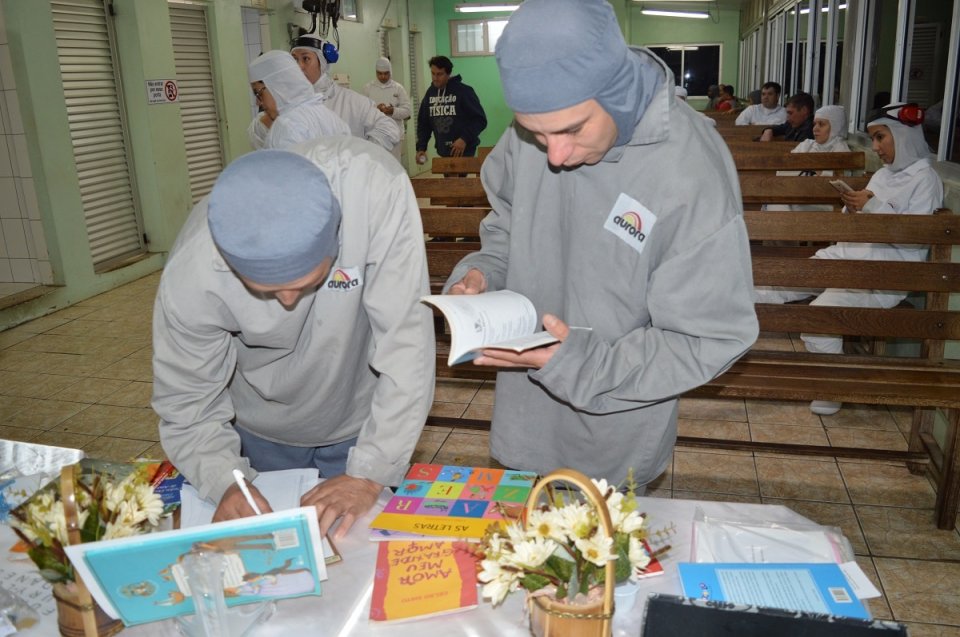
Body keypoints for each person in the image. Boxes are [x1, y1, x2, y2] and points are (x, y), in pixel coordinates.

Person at [442, 0, 758, 490]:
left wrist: (579, 364)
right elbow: (506, 224)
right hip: (523, 413)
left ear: (616, 92)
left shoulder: (689, 170)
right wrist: (482, 273)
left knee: (602, 560)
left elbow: (708, 338)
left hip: (615, 427)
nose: (556, 155)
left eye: (571, 130)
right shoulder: (546, 124)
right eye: (535, 133)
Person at [152, 140, 435, 538]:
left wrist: (370, 473)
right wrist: (225, 480)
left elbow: (408, 346)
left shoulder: (373, 190)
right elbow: (187, 401)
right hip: (259, 427)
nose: (287, 303)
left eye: (305, 283)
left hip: (362, 418)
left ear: (335, 241)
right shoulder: (192, 272)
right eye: (264, 290)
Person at [755, 103, 943, 415]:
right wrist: (854, 206)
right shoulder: (884, 175)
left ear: (904, 136)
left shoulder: (926, 180)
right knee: (778, 279)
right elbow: (858, 220)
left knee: (818, 319)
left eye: (882, 137)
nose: (876, 147)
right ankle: (722, 329)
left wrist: (871, 206)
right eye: (874, 139)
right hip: (848, 255)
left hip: (882, 276)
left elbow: (914, 242)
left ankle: (833, 388)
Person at [280, 35, 400, 152]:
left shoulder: (352, 102)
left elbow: (389, 129)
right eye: (295, 59)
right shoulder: (287, 103)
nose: (299, 66)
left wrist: (360, 157)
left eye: (305, 59)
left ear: (322, 63)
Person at [246, 50, 349, 150]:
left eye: (258, 93)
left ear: (276, 86)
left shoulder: (286, 127)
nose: (258, 102)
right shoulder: (331, 118)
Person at [415, 55, 487, 163]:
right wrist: (421, 148)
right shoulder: (430, 93)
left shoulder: (464, 91)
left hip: (464, 149)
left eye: (439, 74)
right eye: (433, 73)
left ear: (448, 74)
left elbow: (480, 120)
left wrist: (464, 139)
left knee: (458, 180)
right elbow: (424, 123)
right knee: (449, 180)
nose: (435, 78)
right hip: (444, 150)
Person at [362, 57, 412, 163]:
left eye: (386, 73)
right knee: (377, 166)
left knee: (394, 166)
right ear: (376, 72)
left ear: (390, 72)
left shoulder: (398, 88)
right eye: (380, 73)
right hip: (375, 135)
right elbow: (363, 112)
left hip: (395, 136)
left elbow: (407, 111)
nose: (383, 76)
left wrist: (392, 111)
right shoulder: (368, 88)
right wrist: (376, 110)